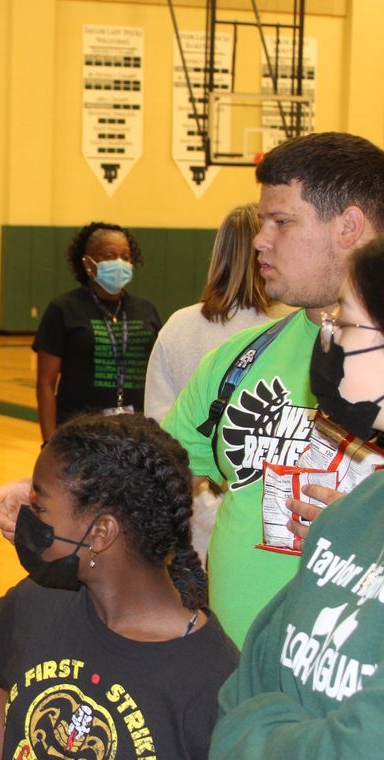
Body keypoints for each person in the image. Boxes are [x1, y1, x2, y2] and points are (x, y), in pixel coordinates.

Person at [161, 131, 384, 646]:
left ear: (348, 226)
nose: (260, 239)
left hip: (359, 701)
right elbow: (155, 470)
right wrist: (63, 492)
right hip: (240, 682)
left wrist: (369, 525)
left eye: (282, 222)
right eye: (263, 222)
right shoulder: (238, 360)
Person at [0, 413, 238, 760]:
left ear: (101, 534)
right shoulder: (40, 600)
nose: (28, 517)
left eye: (40, 507)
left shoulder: (213, 681)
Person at [209, 235, 384, 758]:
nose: (328, 342)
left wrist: (261, 729)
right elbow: (241, 692)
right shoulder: (353, 513)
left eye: (345, 325)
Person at [144, 203, 290, 565]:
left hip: (192, 507)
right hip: (267, 515)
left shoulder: (179, 325)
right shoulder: (293, 326)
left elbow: (160, 430)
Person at [145, 203, 290, 421]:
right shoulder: (294, 323)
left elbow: (157, 418)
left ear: (219, 252)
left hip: (185, 453)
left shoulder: (179, 325)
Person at [32, 222, 161, 443]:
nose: (119, 263)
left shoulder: (146, 310)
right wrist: (49, 442)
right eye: (110, 256)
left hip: (136, 432)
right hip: (79, 433)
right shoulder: (64, 309)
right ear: (88, 263)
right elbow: (45, 383)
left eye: (126, 257)